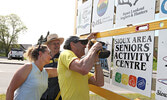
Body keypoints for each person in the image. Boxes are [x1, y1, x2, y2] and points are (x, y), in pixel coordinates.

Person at [57, 33, 104, 100]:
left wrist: (96, 60)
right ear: (72, 44)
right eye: (82, 43)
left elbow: (99, 82)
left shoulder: (78, 64)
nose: (85, 46)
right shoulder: (66, 53)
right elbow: (83, 68)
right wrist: (93, 49)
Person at [41, 34, 64, 100]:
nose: (57, 46)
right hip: (44, 94)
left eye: (58, 43)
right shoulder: (43, 57)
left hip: (58, 94)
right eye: (54, 44)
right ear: (48, 46)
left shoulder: (63, 57)